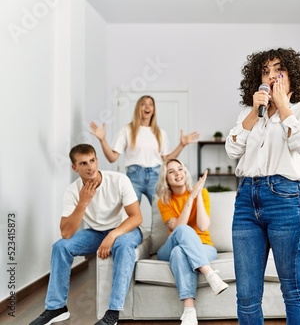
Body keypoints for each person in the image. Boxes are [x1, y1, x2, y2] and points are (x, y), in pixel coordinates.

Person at [225, 47, 300, 325]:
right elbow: (232, 149)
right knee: (246, 296)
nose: (270, 77)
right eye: (265, 72)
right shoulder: (249, 111)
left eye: (278, 71)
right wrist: (256, 112)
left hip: (286, 200)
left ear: (293, 75)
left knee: (292, 290)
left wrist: (283, 107)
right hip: (246, 200)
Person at [29, 144, 143, 325]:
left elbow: (136, 217)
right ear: (74, 168)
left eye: (92, 160)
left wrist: (113, 235)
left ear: (97, 160)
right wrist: (83, 202)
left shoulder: (119, 180)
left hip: (125, 229)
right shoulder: (72, 191)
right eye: (83, 163)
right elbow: (66, 233)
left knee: (122, 244)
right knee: (60, 247)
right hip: (96, 233)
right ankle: (56, 308)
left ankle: (113, 313)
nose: (90, 166)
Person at [155, 158, 229, 325]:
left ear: (185, 172)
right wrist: (190, 199)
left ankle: (189, 312)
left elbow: (203, 226)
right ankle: (209, 273)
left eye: (180, 169)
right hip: (171, 244)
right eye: (171, 172)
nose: (177, 174)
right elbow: (178, 227)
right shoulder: (163, 201)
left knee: (179, 253)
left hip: (203, 246)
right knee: (182, 230)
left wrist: (198, 196)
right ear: (165, 179)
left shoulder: (201, 193)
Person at [90, 95, 199, 205]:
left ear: (153, 110)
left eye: (151, 104)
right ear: (138, 108)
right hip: (134, 176)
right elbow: (112, 158)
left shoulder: (160, 133)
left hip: (155, 176)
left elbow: (167, 159)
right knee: (131, 213)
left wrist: (182, 145)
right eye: (143, 104)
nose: (147, 106)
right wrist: (102, 140)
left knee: (161, 211)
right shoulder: (127, 130)